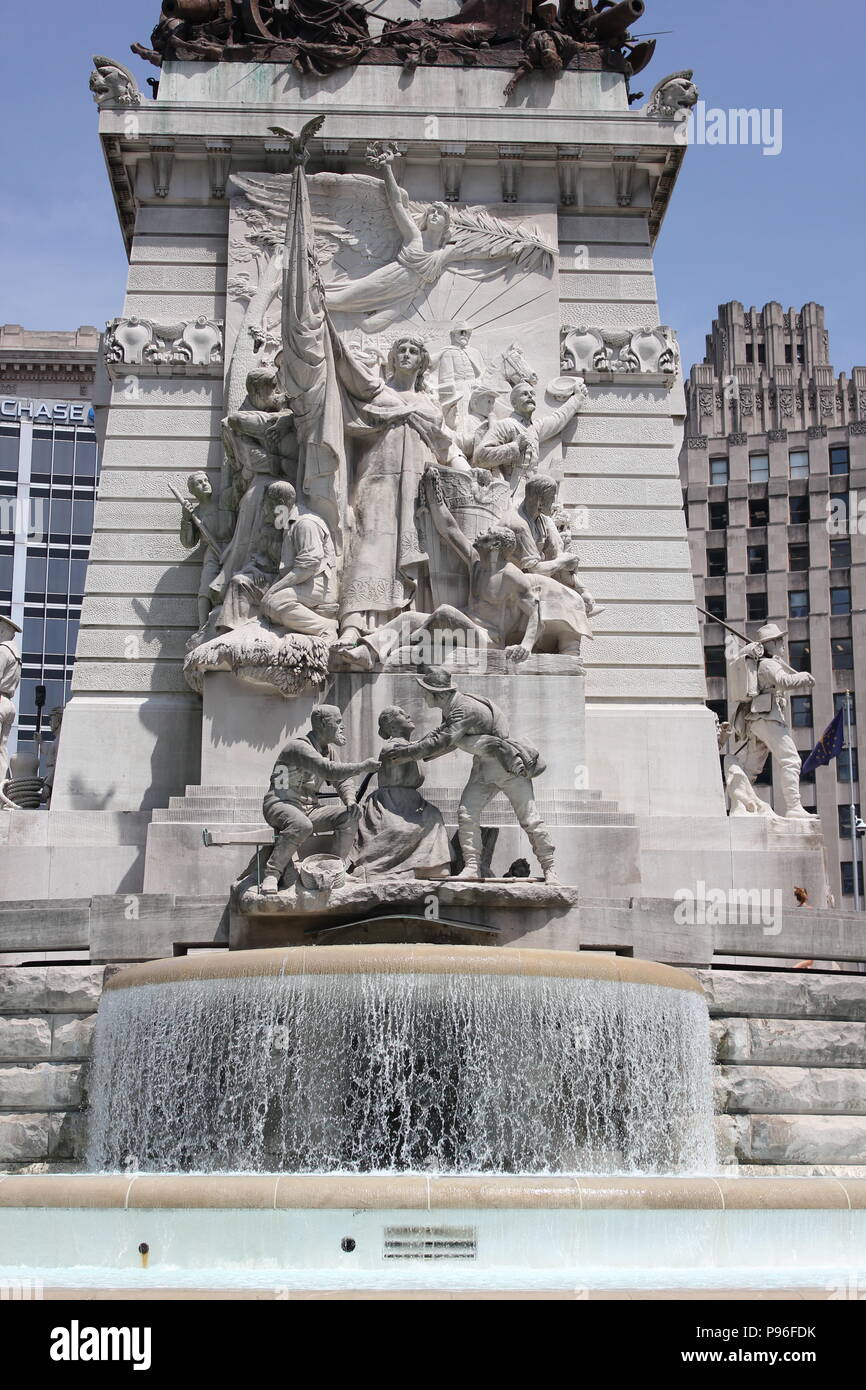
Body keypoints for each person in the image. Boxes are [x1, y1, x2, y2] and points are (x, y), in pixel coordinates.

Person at [334, 334, 468, 648]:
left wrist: (470, 472)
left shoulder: (428, 405)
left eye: (413, 351)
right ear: (392, 359)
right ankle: (353, 624)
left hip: (420, 487)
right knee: (369, 547)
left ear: (422, 362)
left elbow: (446, 444)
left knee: (420, 551)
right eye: (401, 350)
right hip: (378, 479)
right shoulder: (378, 393)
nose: (406, 355)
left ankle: (415, 627)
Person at [379, 666, 557, 882]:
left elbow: (441, 741)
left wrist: (407, 753)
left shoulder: (463, 708)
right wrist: (414, 749)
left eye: (426, 691)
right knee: (466, 813)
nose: (423, 695)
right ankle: (472, 867)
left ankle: (550, 869)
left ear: (440, 693)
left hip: (508, 768)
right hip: (483, 769)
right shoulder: (454, 707)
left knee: (530, 819)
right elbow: (442, 736)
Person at [260, 705, 380, 893]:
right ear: (324, 723)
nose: (343, 727)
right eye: (338, 721)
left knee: (351, 815)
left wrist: (350, 801)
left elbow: (342, 779)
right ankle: (272, 874)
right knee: (302, 825)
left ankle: (336, 869)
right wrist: (363, 766)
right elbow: (328, 770)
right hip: (280, 803)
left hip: (309, 809)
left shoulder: (328, 751)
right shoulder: (298, 747)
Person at [352, 705, 451, 878]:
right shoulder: (392, 747)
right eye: (400, 713)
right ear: (391, 727)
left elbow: (426, 747)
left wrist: (448, 729)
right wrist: (446, 731)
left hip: (412, 801)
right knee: (402, 828)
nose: (407, 714)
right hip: (391, 803)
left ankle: (431, 866)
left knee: (433, 815)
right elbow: (423, 748)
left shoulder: (410, 746)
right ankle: (398, 869)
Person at [731, 623, 817, 820]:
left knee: (752, 768)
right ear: (774, 643)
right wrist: (803, 676)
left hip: (758, 720)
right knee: (791, 760)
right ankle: (794, 806)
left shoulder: (763, 664)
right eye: (781, 641)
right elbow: (784, 682)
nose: (784, 646)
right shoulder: (768, 664)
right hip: (768, 719)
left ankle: (739, 802)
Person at [474, 377, 588, 492]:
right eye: (524, 394)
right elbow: (480, 457)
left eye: (532, 394)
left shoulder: (535, 428)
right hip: (510, 489)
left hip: (530, 489)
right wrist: (515, 446)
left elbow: (558, 419)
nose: (530, 396)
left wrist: (577, 398)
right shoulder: (505, 425)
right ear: (514, 403)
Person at [178, 471, 224, 630]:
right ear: (192, 491)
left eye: (206, 480)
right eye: (199, 482)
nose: (205, 484)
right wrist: (186, 518)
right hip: (211, 552)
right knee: (206, 586)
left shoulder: (223, 503)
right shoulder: (195, 513)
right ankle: (203, 627)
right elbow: (188, 542)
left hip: (231, 546)